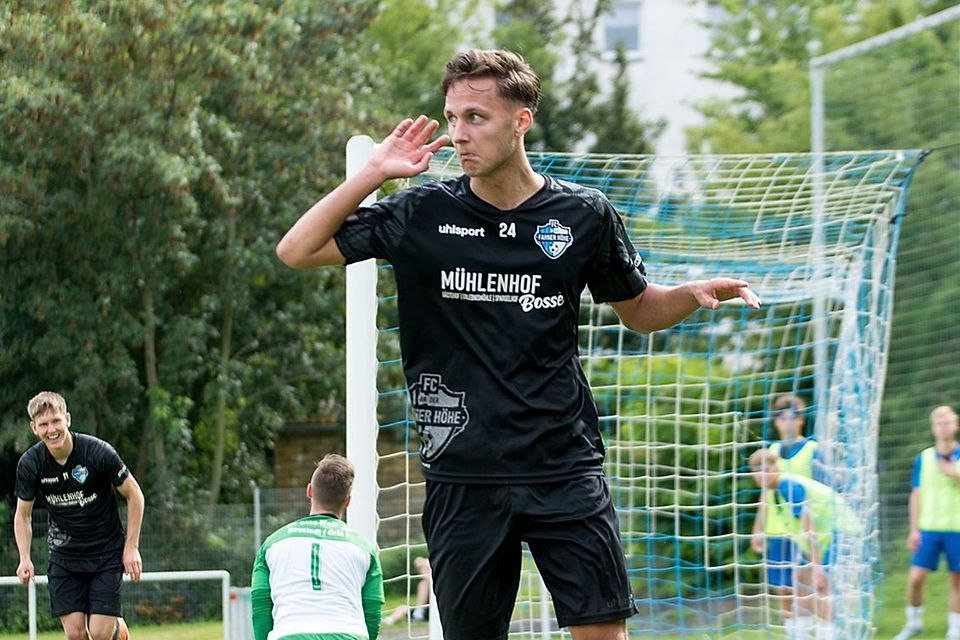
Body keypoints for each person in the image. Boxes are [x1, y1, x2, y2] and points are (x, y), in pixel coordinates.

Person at [276, 48, 761, 640]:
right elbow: (296, 250)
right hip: (462, 474)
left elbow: (640, 311)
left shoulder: (583, 214)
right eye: (452, 118)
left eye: (475, 117)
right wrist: (374, 173)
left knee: (604, 634)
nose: (459, 134)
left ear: (521, 119)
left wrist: (688, 291)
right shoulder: (421, 211)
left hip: (563, 464)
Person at [14, 391, 144, 640]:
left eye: (56, 421)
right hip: (64, 555)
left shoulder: (98, 452)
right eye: (44, 424)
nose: (51, 430)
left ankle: (120, 630)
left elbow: (135, 495)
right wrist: (24, 558)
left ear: (68, 419)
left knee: (99, 633)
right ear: (34, 428)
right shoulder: (30, 464)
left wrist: (132, 547)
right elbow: (23, 516)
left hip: (105, 552)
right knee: (75, 635)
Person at [250, 454, 384, 640]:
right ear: (348, 501)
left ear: (309, 491)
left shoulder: (273, 544)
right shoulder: (364, 548)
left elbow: (261, 606)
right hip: (348, 635)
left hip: (290, 635)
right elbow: (372, 609)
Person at [749, 448, 859, 640]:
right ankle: (800, 634)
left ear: (776, 467)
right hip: (827, 536)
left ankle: (827, 635)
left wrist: (817, 567)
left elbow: (809, 526)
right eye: (757, 470)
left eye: (767, 468)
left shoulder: (787, 486)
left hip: (841, 531)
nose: (762, 475)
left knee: (823, 587)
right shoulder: (773, 492)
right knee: (802, 586)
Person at [750, 394, 827, 636]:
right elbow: (765, 494)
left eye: (793, 417)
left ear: (801, 420)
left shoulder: (813, 450)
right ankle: (795, 633)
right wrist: (758, 529)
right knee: (783, 589)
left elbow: (823, 492)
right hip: (777, 531)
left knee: (808, 587)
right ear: (776, 423)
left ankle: (822, 630)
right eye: (782, 418)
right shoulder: (771, 452)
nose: (788, 422)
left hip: (806, 532)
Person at [893, 405, 960, 640]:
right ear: (933, 427)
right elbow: (916, 494)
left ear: (956, 424)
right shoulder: (923, 458)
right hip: (928, 529)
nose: (944, 426)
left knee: (957, 579)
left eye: (948, 421)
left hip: (957, 529)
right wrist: (914, 529)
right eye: (939, 422)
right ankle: (913, 622)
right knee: (916, 578)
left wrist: (953, 473)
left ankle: (955, 629)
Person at [382, 556, 431, 625]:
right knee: (402, 608)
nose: (421, 570)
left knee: (423, 583)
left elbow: (426, 575)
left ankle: (419, 613)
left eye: (423, 568)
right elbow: (418, 560)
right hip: (422, 610)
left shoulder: (430, 580)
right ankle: (389, 620)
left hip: (432, 609)